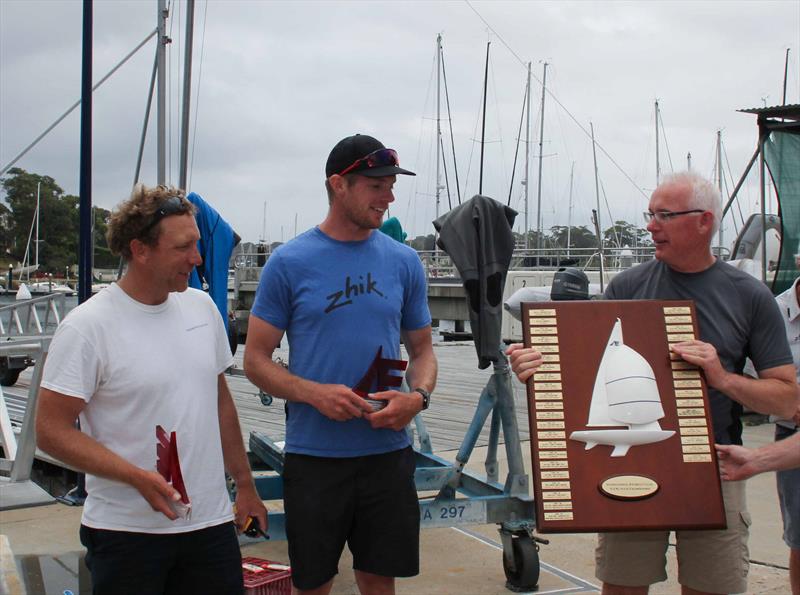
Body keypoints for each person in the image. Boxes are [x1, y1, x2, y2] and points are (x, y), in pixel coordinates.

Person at [506, 171, 799, 595]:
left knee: (713, 587)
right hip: (626, 464)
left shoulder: (749, 295)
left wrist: (721, 378)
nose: (650, 226)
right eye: (650, 214)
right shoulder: (627, 286)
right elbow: (586, 372)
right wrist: (539, 368)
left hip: (716, 468)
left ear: (704, 221)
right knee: (623, 586)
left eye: (664, 215)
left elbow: (788, 398)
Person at [36, 185, 267, 595]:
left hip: (210, 527)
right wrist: (136, 477)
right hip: (126, 534)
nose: (197, 259)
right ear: (140, 250)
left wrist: (245, 486)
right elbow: (50, 430)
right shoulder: (88, 327)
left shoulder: (201, 309)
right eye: (183, 247)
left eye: (197, 244)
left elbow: (221, 404)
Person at [244, 133, 437, 595]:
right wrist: (313, 393)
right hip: (316, 458)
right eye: (376, 186)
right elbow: (254, 359)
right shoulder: (289, 263)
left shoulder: (405, 262)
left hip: (387, 455)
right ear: (339, 185)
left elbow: (424, 353)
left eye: (391, 185)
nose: (388, 197)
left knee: (378, 579)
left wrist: (417, 398)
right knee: (314, 583)